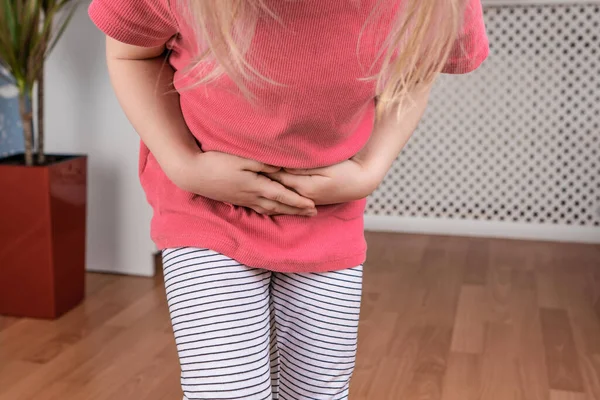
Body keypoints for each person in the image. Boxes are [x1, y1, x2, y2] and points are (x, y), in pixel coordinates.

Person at [88, 0, 489, 398]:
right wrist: (184, 165)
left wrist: (372, 166)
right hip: (206, 204)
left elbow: (419, 69)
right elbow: (131, 55)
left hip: (326, 216)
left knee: (316, 388)